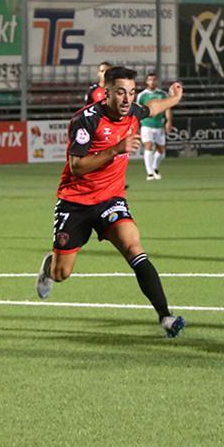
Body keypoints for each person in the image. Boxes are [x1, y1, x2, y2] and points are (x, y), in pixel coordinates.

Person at [35, 67, 187, 337]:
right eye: (120, 93)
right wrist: (116, 149)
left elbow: (151, 107)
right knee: (62, 274)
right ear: (106, 93)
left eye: (131, 92)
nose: (127, 99)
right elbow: (77, 166)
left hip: (110, 200)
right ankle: (49, 266)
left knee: (134, 247)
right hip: (75, 202)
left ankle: (165, 316)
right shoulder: (86, 120)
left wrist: (173, 100)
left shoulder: (133, 113)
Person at [137, 72, 173, 180]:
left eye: (154, 79)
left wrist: (168, 121)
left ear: (157, 81)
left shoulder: (162, 94)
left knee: (161, 151)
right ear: (146, 81)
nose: (152, 81)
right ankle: (150, 173)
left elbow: (167, 108)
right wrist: (136, 125)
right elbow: (138, 110)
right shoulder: (142, 95)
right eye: (150, 79)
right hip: (146, 124)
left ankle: (154, 167)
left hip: (159, 125)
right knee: (148, 146)